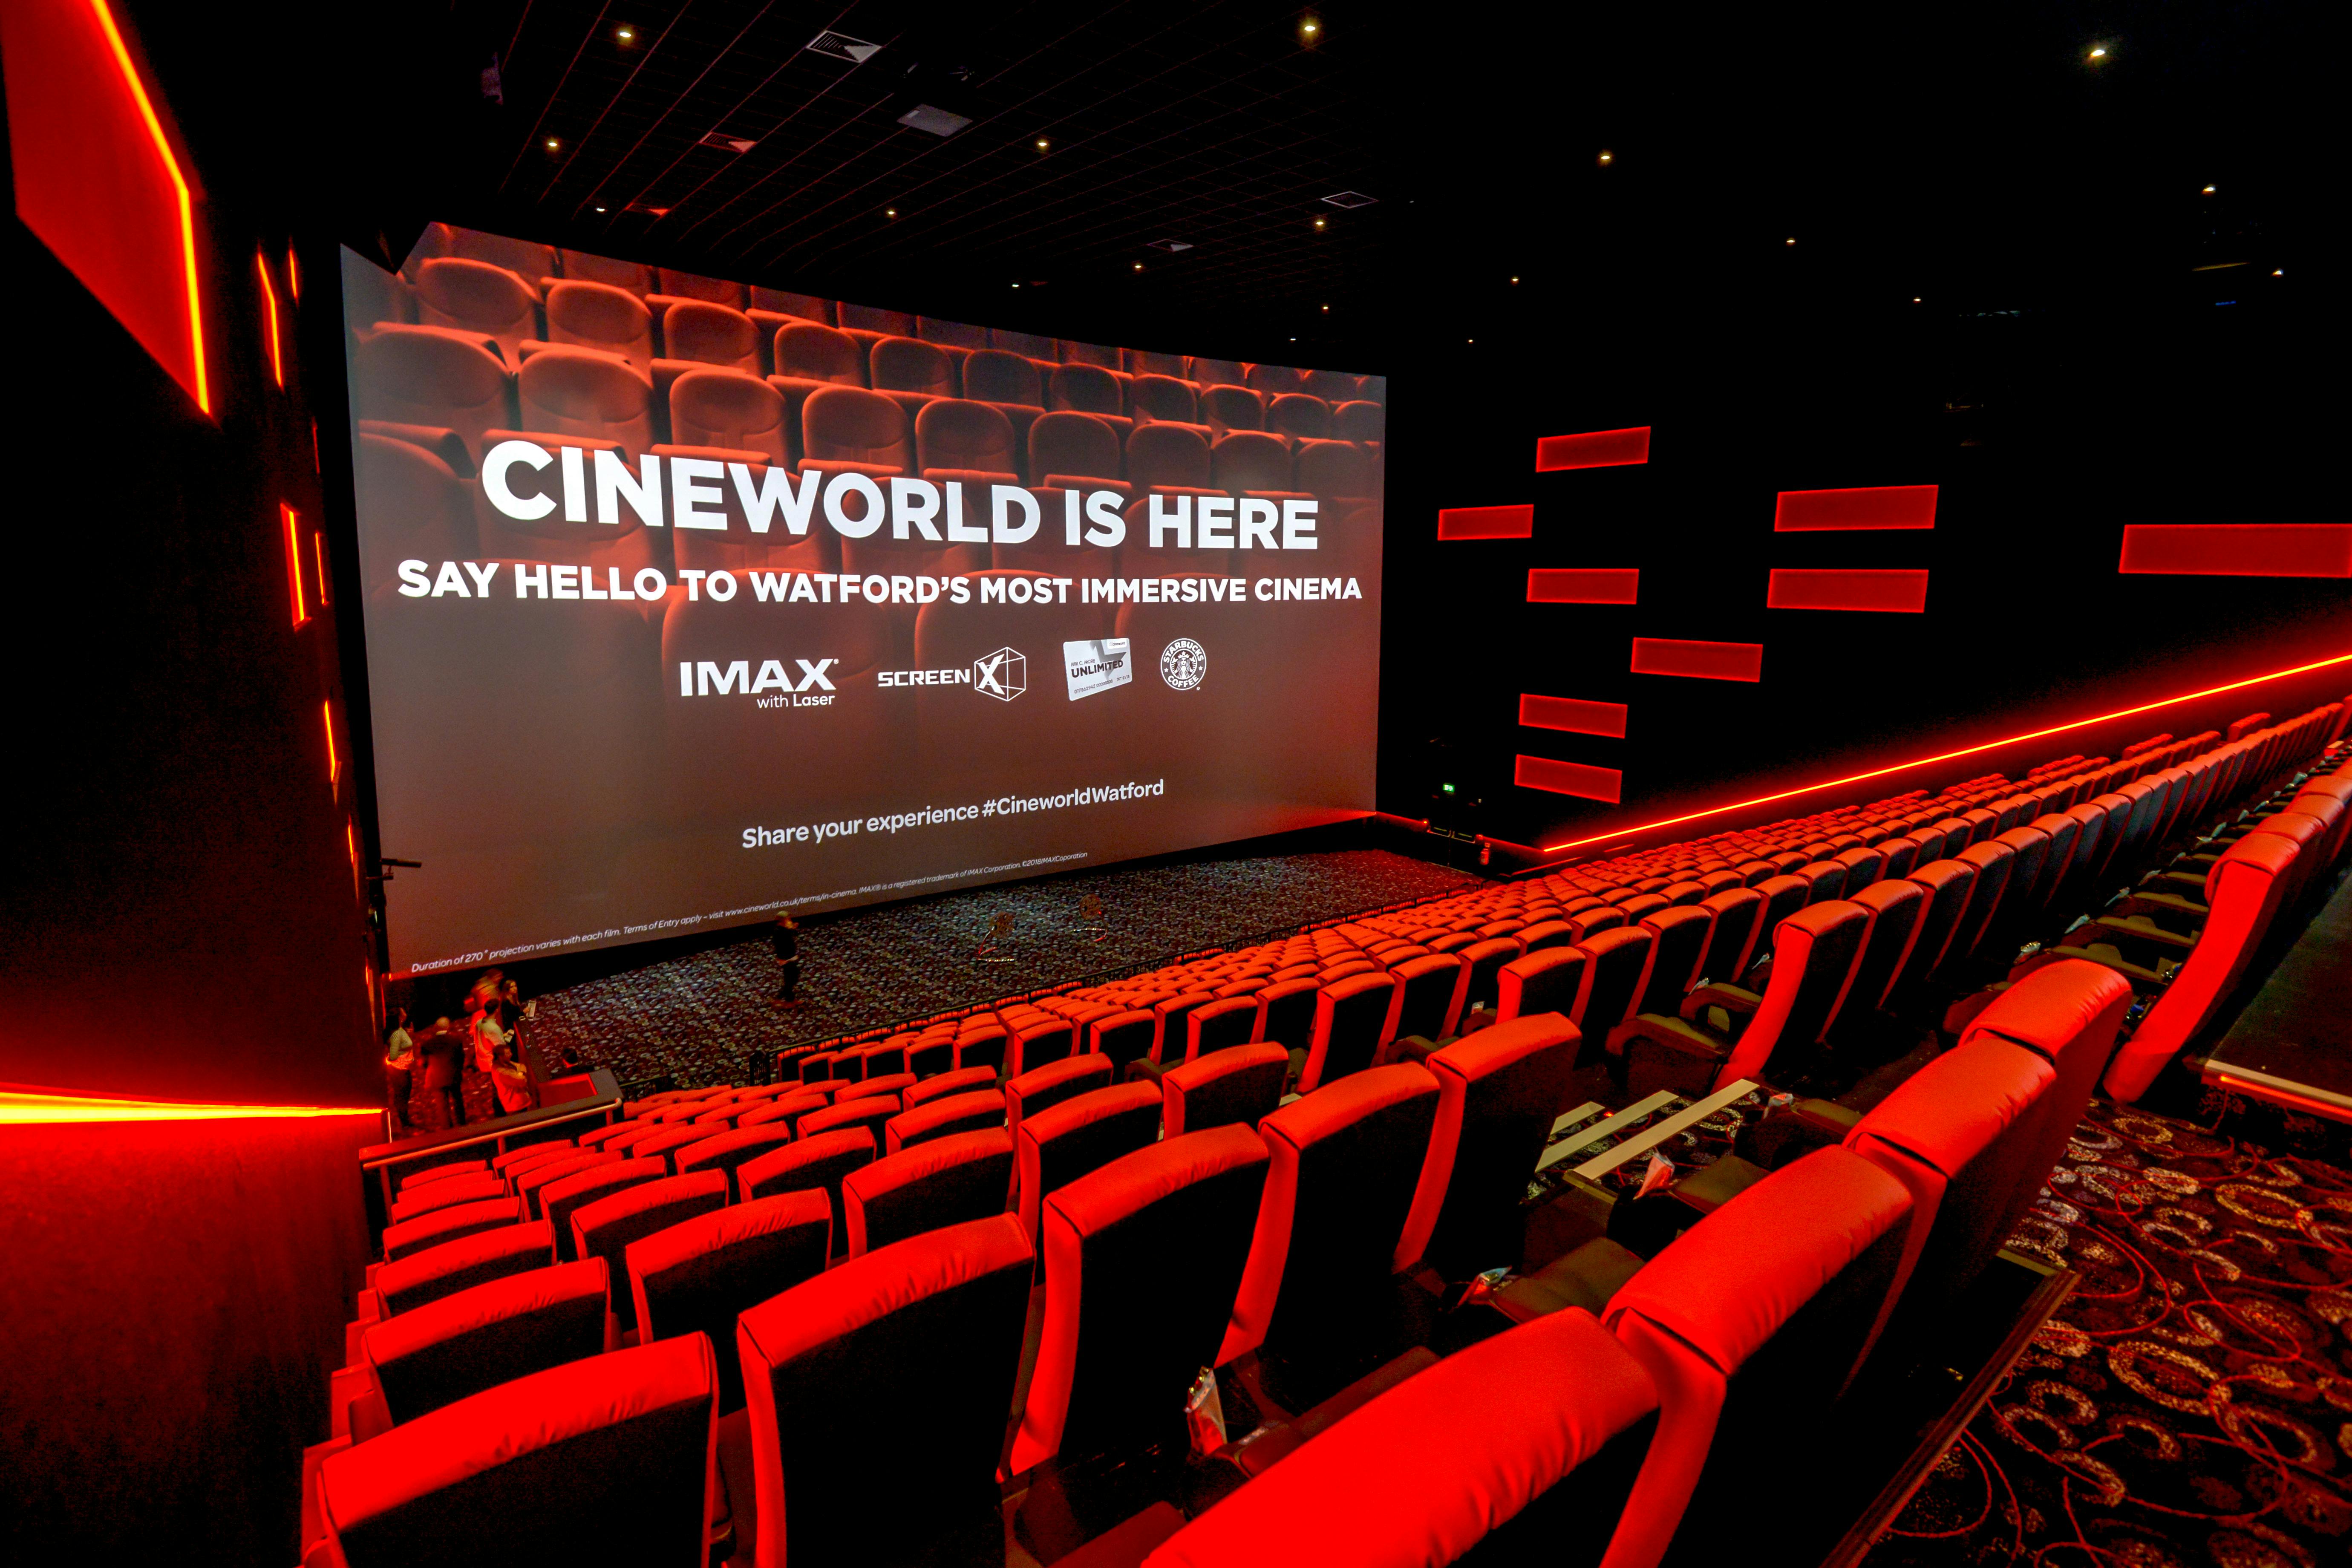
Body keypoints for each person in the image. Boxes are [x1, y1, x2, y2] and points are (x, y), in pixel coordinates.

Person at [418, 1016, 466, 1129]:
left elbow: (423, 1063)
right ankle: (462, 1124)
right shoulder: (456, 1041)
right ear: (449, 1027)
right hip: (454, 1075)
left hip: (436, 1078)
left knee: (442, 1105)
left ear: (436, 1028)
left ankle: (447, 1129)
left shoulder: (427, 1044)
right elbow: (461, 1058)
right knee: (458, 1100)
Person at [383, 1009, 416, 1134]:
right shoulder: (397, 1034)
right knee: (402, 1096)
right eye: (403, 1012)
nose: (405, 1013)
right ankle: (404, 1123)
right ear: (399, 1017)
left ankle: (405, 1120)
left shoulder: (401, 1031)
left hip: (402, 1068)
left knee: (404, 1095)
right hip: (398, 1069)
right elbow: (394, 1054)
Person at [489, 1039, 537, 1116]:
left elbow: (521, 1066)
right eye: (508, 1053)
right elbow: (522, 1081)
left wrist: (520, 1073)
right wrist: (522, 1073)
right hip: (516, 1105)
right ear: (501, 1056)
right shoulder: (501, 1072)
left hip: (519, 1101)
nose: (511, 1054)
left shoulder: (503, 1063)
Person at [770, 914, 802, 1008]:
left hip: (791, 956)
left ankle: (785, 998)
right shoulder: (778, 932)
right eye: (787, 919)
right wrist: (781, 959)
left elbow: (792, 936)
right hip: (785, 958)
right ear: (781, 921)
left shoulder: (785, 929)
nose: (789, 920)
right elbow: (779, 945)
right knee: (790, 979)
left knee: (794, 978)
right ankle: (788, 1000)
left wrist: (792, 929)